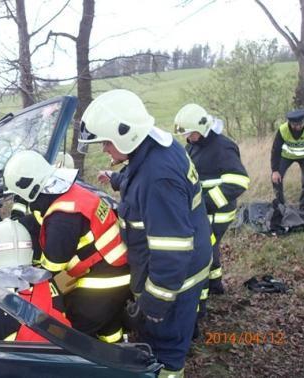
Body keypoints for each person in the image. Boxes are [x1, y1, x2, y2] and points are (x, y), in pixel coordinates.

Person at [78, 89, 212, 377]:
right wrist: (116, 178)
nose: (104, 149)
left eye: (106, 142)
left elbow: (171, 253)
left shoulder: (158, 179)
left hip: (175, 283)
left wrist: (154, 305)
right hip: (183, 272)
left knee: (166, 353)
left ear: (126, 134)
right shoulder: (156, 147)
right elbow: (138, 175)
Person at [3, 150, 131, 343]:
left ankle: (91, 364)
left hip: (105, 279)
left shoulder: (62, 218)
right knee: (108, 321)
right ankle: (120, 350)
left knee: (76, 331)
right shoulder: (70, 194)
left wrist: (23, 277)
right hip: (116, 266)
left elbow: (53, 265)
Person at [174, 104, 249, 295]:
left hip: (219, 211)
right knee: (209, 245)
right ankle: (215, 285)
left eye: (190, 133)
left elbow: (238, 181)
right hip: (203, 209)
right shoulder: (193, 146)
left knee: (206, 246)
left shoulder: (223, 147)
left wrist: (205, 203)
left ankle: (209, 289)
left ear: (202, 128)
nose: (187, 137)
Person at [271, 109, 304, 212]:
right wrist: (275, 170)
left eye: (301, 124)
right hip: (287, 156)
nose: (298, 127)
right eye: (295, 125)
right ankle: (281, 206)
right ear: (289, 122)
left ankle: (303, 207)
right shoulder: (283, 129)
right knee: (276, 178)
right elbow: (275, 150)